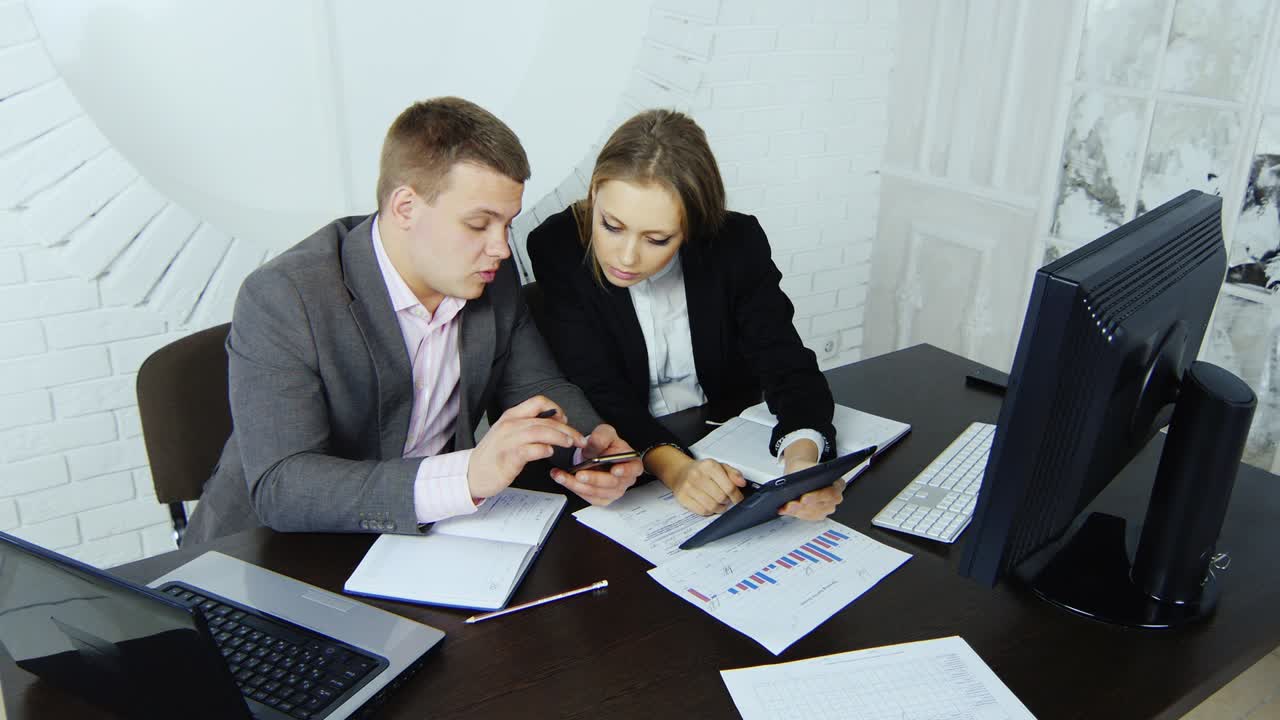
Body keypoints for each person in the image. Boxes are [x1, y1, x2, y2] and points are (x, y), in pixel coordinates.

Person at [184, 97, 642, 545]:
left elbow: (540, 390)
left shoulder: (491, 277)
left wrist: (591, 449)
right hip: (267, 552)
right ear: (406, 207)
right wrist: (465, 475)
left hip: (422, 541)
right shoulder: (285, 296)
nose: (502, 248)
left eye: (507, 224)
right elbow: (284, 485)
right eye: (479, 224)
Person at [527, 109, 842, 521]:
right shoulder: (558, 246)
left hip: (726, 447)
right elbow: (598, 386)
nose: (625, 257)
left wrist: (802, 461)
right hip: (625, 461)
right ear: (594, 195)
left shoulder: (736, 244)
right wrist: (676, 471)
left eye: (657, 239)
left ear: (691, 227)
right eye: (611, 225)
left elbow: (786, 362)